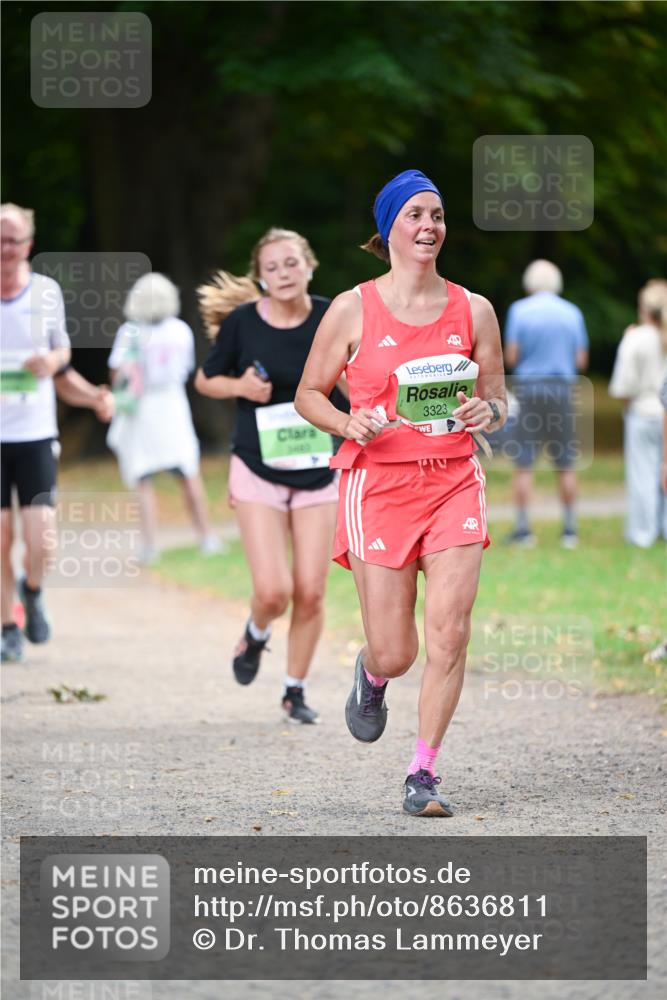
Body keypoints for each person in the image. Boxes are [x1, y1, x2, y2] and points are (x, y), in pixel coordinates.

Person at [295, 170, 507, 815]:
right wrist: (345, 420)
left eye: (437, 215)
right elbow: (308, 394)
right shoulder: (353, 308)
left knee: (451, 631)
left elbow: (496, 399)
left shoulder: (474, 309)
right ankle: (374, 671)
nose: (428, 226)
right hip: (377, 486)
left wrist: (486, 413)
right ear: (389, 227)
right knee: (399, 648)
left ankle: (424, 773)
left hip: (452, 480)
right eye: (414, 214)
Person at [195, 228, 345, 725]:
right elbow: (205, 379)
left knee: (312, 589)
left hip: (319, 466)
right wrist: (239, 384)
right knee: (274, 591)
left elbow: (360, 377)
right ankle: (257, 632)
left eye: (291, 264)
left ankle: (294, 690)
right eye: (272, 268)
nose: (282, 274)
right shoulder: (242, 323)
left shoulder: (333, 316)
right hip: (257, 464)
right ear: (260, 277)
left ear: (309, 264)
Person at [106, 272, 220, 564]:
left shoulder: (131, 332)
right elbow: (186, 367)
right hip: (173, 404)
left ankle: (149, 545)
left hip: (142, 408)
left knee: (142, 476)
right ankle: (207, 536)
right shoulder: (180, 330)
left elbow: (117, 373)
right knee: (187, 471)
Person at [1, 203, 71, 664]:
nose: (6, 248)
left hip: (35, 431)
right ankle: (9, 625)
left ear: (28, 243)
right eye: (0, 240)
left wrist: (52, 361)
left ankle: (33, 589)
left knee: (40, 535)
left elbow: (62, 347)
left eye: (13, 239)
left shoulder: (45, 291)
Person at [503, 260, 589, 548]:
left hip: (528, 389)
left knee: (524, 461)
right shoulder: (573, 312)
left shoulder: (519, 311)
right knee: (565, 461)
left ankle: (524, 529)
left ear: (530, 283)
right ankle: (569, 529)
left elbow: (512, 356)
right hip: (562, 390)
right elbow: (581, 360)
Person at [609, 279, 667, 548]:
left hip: (643, 412)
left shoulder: (636, 338)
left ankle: (643, 532)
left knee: (643, 475)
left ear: (644, 308)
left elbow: (623, 386)